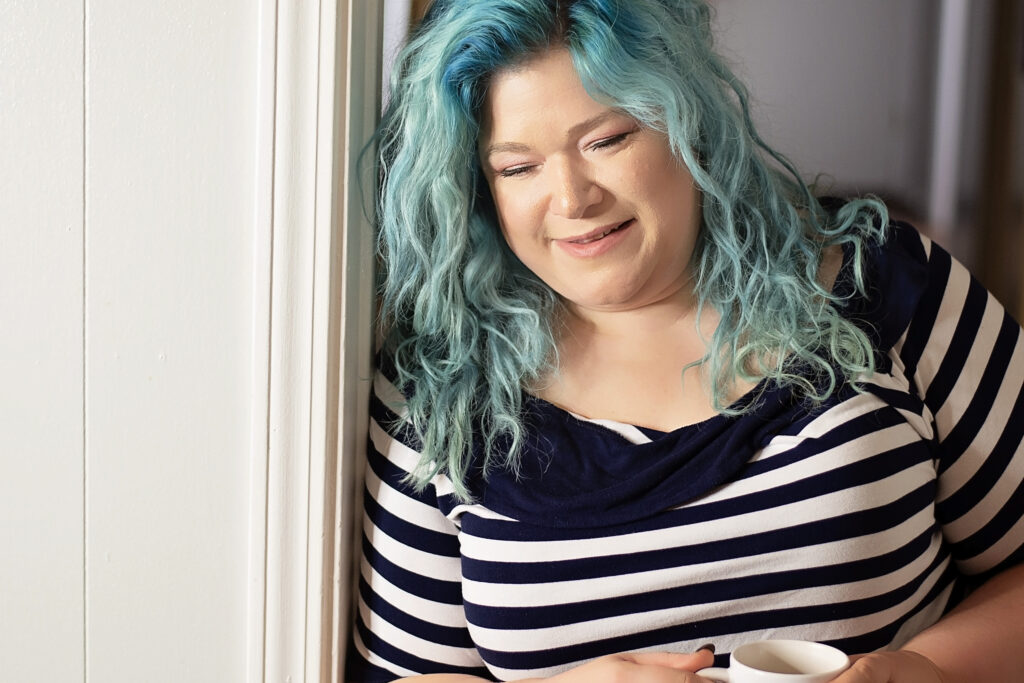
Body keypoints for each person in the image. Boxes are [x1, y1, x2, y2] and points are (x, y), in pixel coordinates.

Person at [346, 1, 1024, 681]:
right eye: (517, 168)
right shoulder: (435, 390)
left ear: (687, 118)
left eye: (605, 139)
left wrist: (925, 670)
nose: (572, 197)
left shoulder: (885, 286)